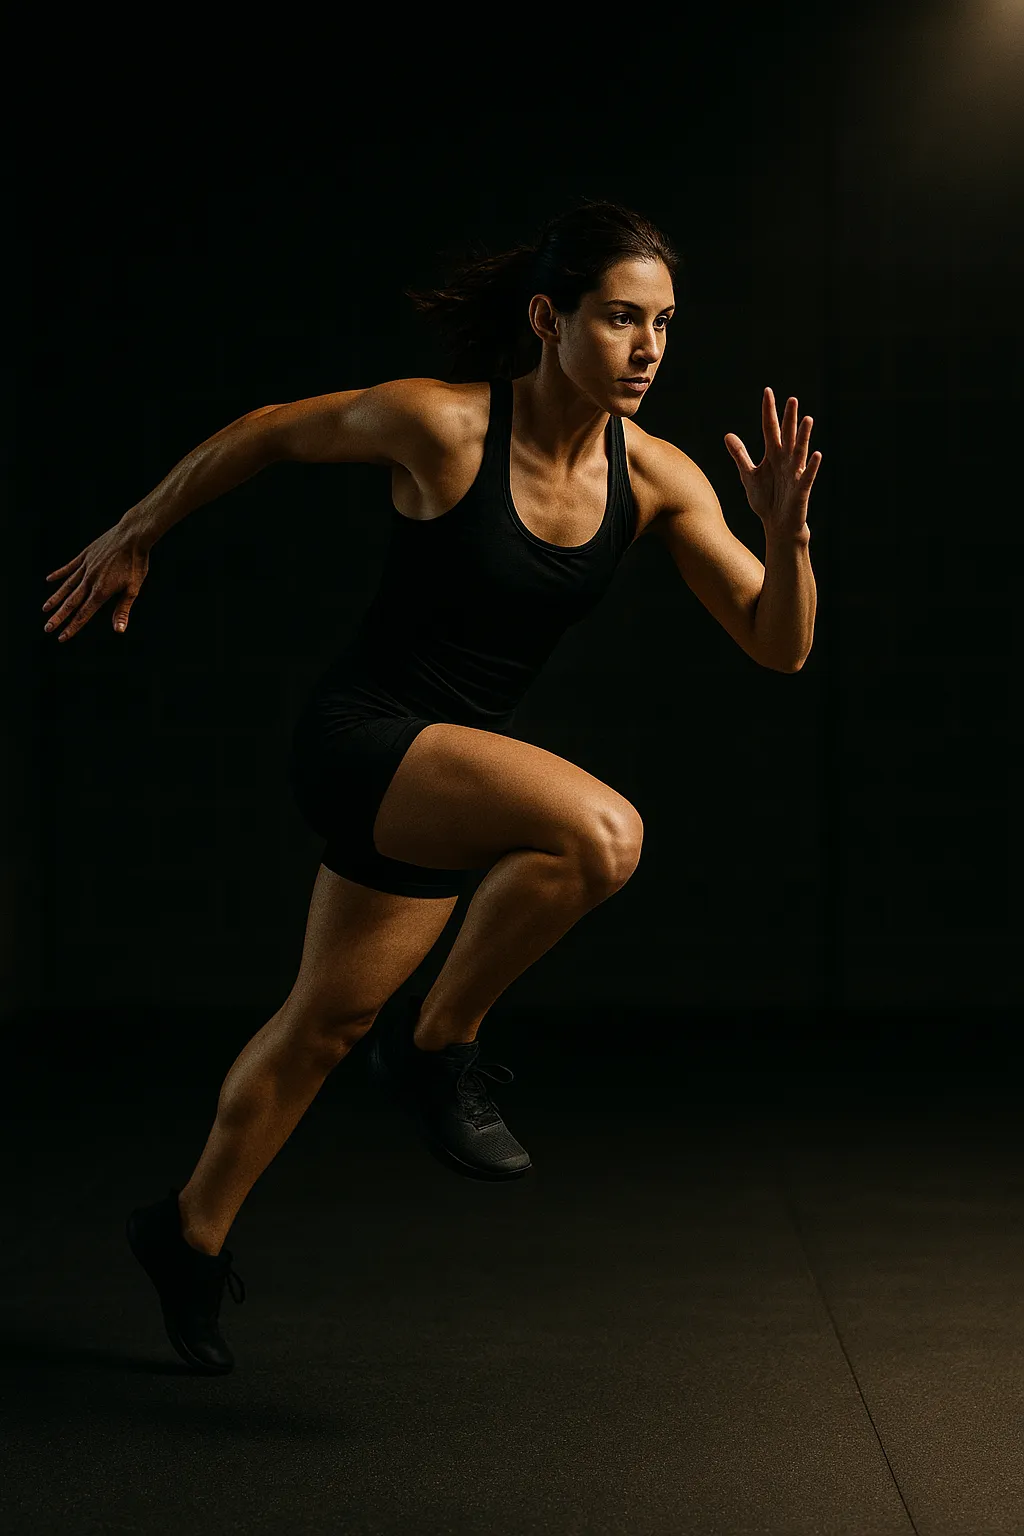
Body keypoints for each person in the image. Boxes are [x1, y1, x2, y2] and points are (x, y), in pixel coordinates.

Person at [41, 199, 821, 1373]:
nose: (649, 349)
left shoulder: (655, 479)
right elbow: (266, 431)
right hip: (364, 739)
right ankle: (436, 1045)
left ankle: (186, 1231)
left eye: (663, 324)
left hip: (444, 777)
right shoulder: (446, 428)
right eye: (620, 319)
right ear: (549, 318)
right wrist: (138, 527)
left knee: (321, 1023)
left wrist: (788, 536)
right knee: (603, 834)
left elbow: (779, 644)